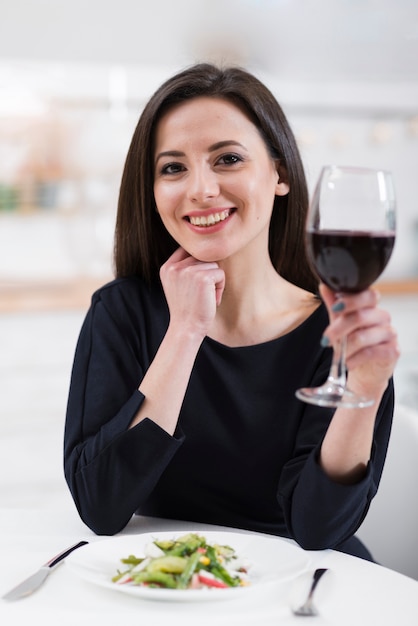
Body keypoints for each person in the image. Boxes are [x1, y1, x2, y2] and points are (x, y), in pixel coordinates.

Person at [64, 63, 399, 560]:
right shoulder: (121, 313)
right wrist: (185, 331)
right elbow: (100, 505)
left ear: (279, 173)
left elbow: (318, 530)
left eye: (227, 159)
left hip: (305, 588)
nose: (200, 189)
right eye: (173, 167)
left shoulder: (337, 335)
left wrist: (365, 393)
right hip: (172, 583)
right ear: (153, 192)